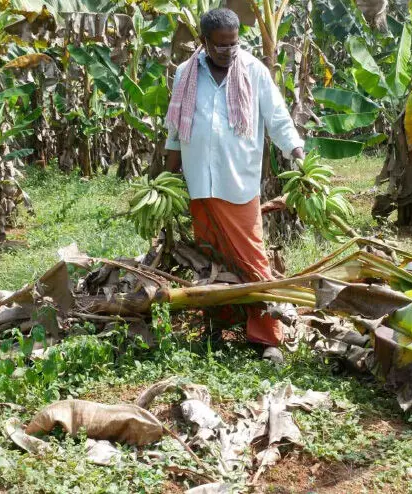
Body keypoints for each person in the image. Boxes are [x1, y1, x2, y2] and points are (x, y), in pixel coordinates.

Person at [164, 8, 305, 362]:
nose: (229, 51)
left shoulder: (253, 71)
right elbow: (175, 132)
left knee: (252, 259)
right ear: (204, 42)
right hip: (200, 183)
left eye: (234, 43)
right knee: (211, 257)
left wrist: (298, 153)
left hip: (238, 181)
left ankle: (267, 336)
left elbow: (278, 118)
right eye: (221, 45)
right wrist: (164, 177)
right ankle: (220, 323)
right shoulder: (185, 74)